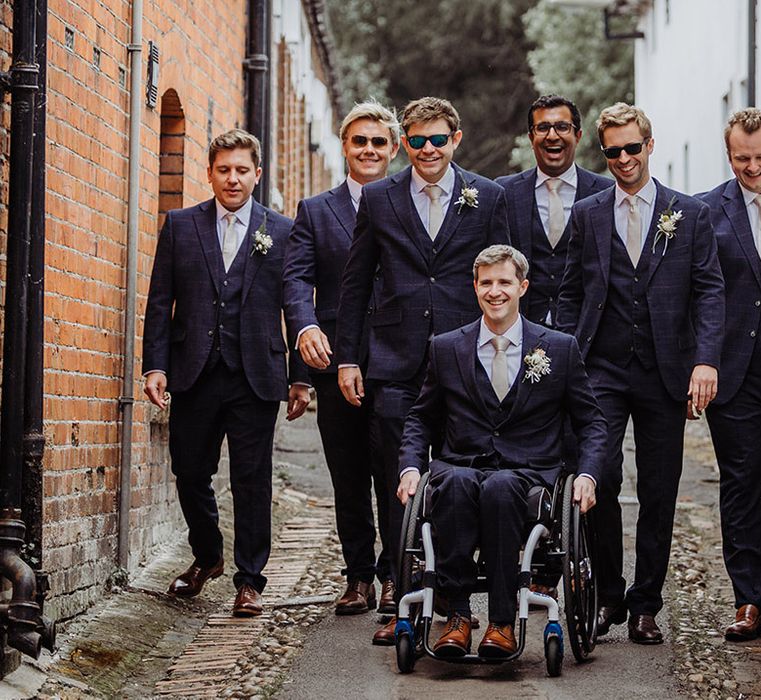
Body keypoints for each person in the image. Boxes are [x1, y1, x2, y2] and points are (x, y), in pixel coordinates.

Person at [334, 96, 510, 645]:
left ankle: (458, 603)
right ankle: (400, 593)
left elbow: (505, 275)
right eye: (416, 140)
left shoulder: (490, 196)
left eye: (438, 139)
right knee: (397, 480)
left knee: (462, 476)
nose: (427, 149)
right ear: (403, 143)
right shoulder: (381, 199)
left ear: (455, 139)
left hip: (466, 361)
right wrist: (348, 357)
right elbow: (356, 282)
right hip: (393, 359)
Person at [557, 103, 725, 644]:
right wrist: (563, 353)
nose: (624, 159)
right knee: (598, 476)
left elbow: (709, 290)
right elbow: (570, 291)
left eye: (632, 148)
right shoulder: (587, 213)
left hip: (664, 370)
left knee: (659, 488)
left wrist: (705, 359)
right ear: (601, 153)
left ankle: (647, 603)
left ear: (649, 145)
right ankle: (609, 594)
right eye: (613, 151)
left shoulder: (689, 214)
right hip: (600, 367)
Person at [397, 244, 606, 658]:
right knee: (453, 483)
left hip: (528, 472)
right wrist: (408, 466)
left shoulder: (559, 349)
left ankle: (502, 622)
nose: (496, 292)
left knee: (501, 487)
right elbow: (421, 417)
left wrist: (588, 474)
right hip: (461, 465)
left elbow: (593, 421)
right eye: (487, 283)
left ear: (522, 286)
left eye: (504, 282)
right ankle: (456, 617)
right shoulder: (446, 347)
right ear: (475, 288)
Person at [142, 129, 309, 616]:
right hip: (193, 371)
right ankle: (208, 555)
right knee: (190, 471)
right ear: (209, 172)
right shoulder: (180, 225)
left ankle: (250, 580)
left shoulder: (282, 230)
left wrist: (300, 376)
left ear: (257, 175)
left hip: (256, 373)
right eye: (223, 169)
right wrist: (155, 365)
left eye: (241, 170)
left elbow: (296, 305)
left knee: (252, 478)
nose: (232, 179)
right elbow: (159, 303)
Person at [283, 100, 399, 616]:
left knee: (397, 471)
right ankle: (358, 576)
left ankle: (398, 574)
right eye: (360, 141)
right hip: (334, 358)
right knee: (348, 474)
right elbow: (294, 277)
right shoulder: (315, 209)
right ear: (344, 146)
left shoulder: (410, 203)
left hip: (399, 358)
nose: (369, 149)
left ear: (394, 149)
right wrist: (304, 325)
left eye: (379, 141)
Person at [700, 108, 761, 641]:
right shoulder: (707, 212)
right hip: (736, 375)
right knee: (741, 484)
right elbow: (700, 294)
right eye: (742, 158)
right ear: (729, 155)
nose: (752, 168)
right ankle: (749, 599)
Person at [496, 95, 612, 326]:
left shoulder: (606, 192)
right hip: (521, 330)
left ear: (577, 135)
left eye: (562, 127)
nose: (552, 135)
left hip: (587, 334)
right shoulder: (503, 192)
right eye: (543, 128)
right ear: (531, 137)